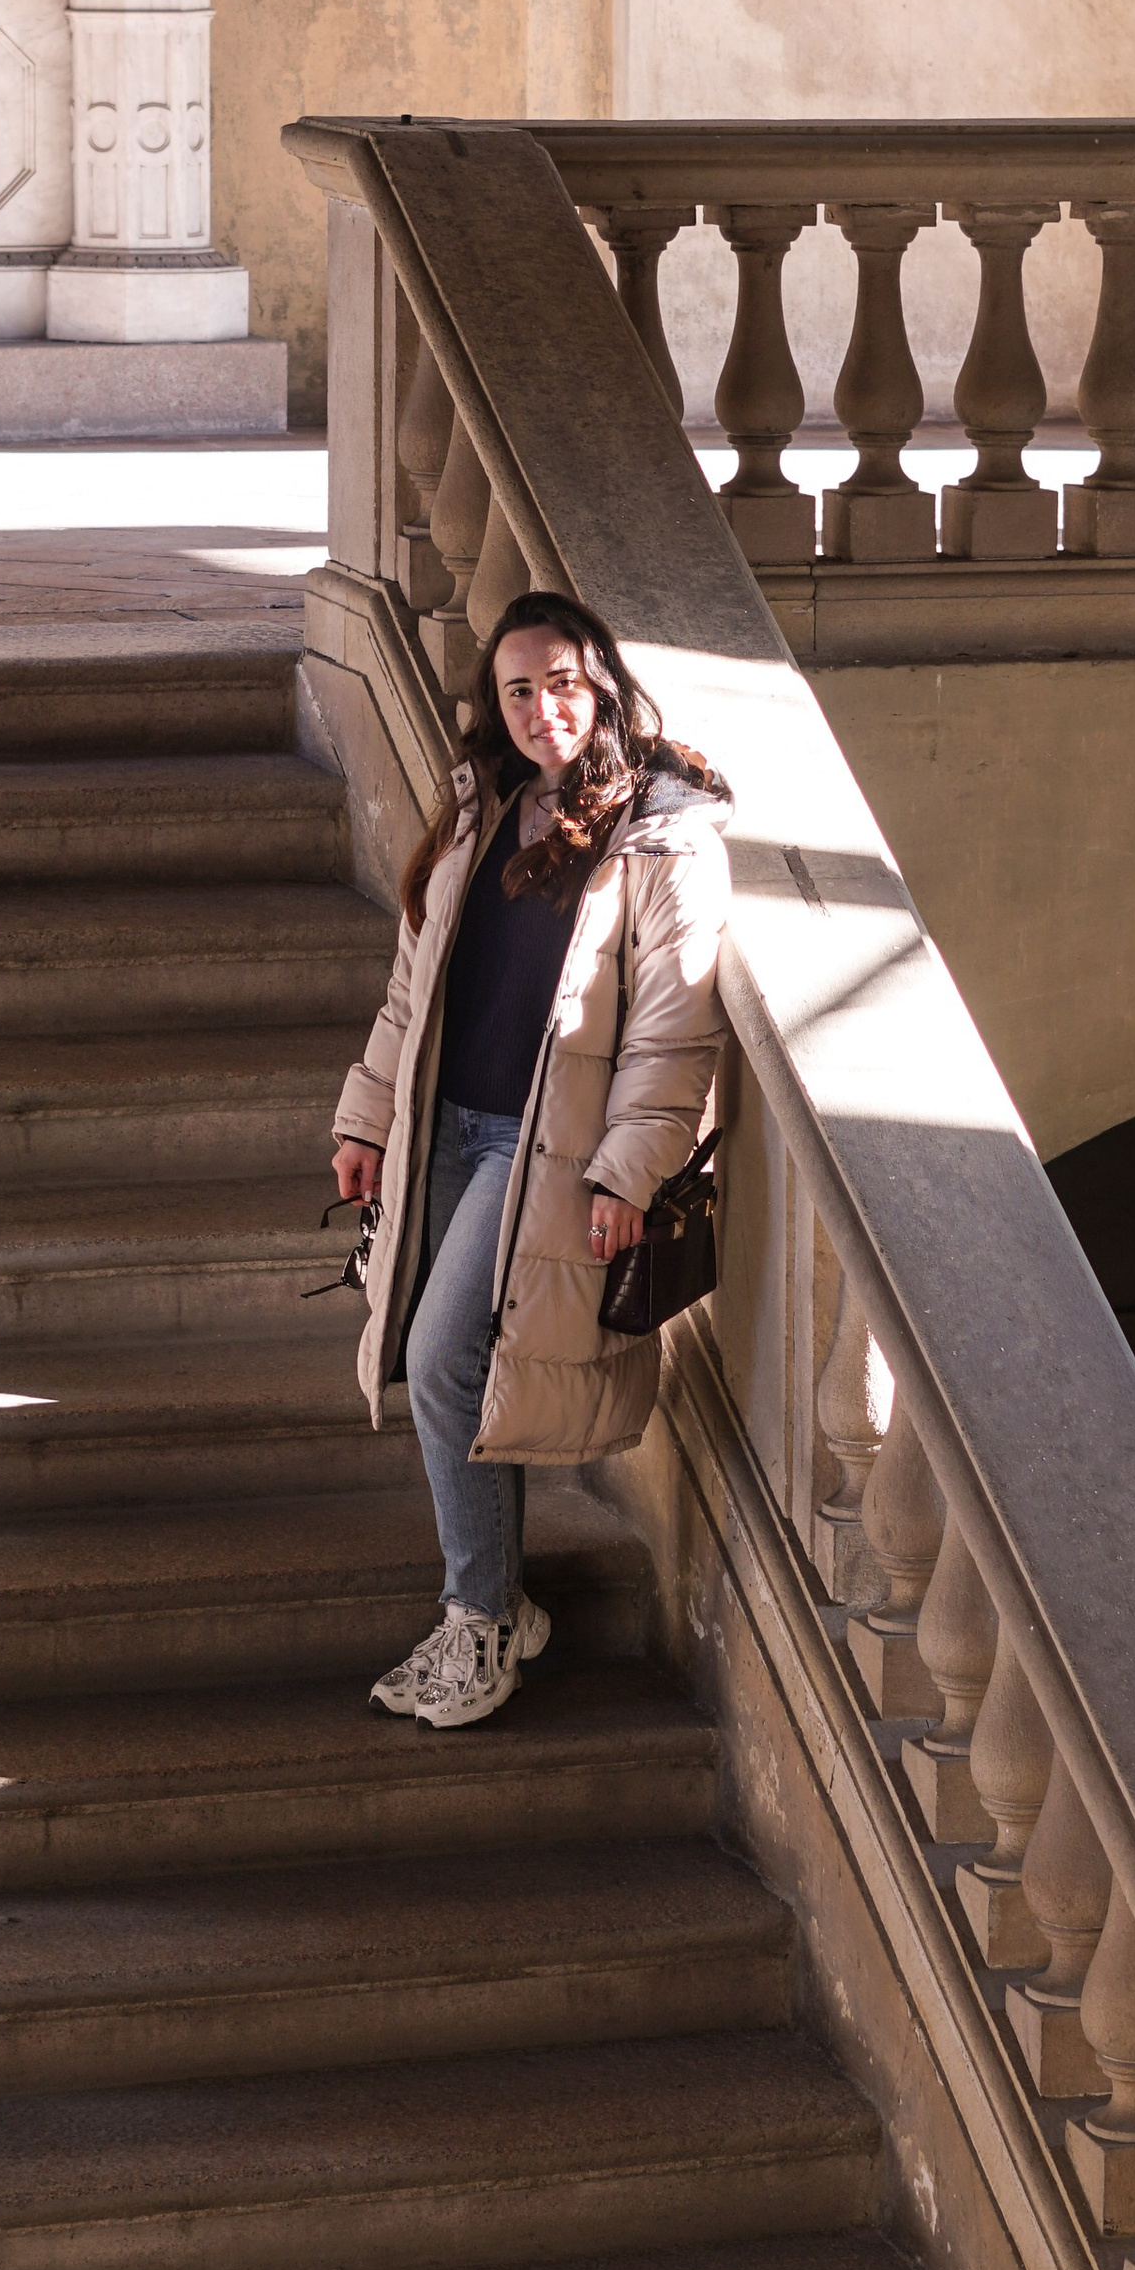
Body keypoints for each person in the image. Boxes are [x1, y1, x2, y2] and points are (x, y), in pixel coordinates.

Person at [331, 592, 732, 1734]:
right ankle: (498, 1608)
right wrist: (367, 1119)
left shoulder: (662, 838)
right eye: (517, 689)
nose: (541, 708)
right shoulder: (484, 810)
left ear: (599, 681)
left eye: (561, 682)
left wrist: (624, 1173)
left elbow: (672, 1035)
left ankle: (481, 1618)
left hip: (540, 1147)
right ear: (492, 704)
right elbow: (415, 991)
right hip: (447, 1122)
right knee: (452, 1362)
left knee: (446, 1355)